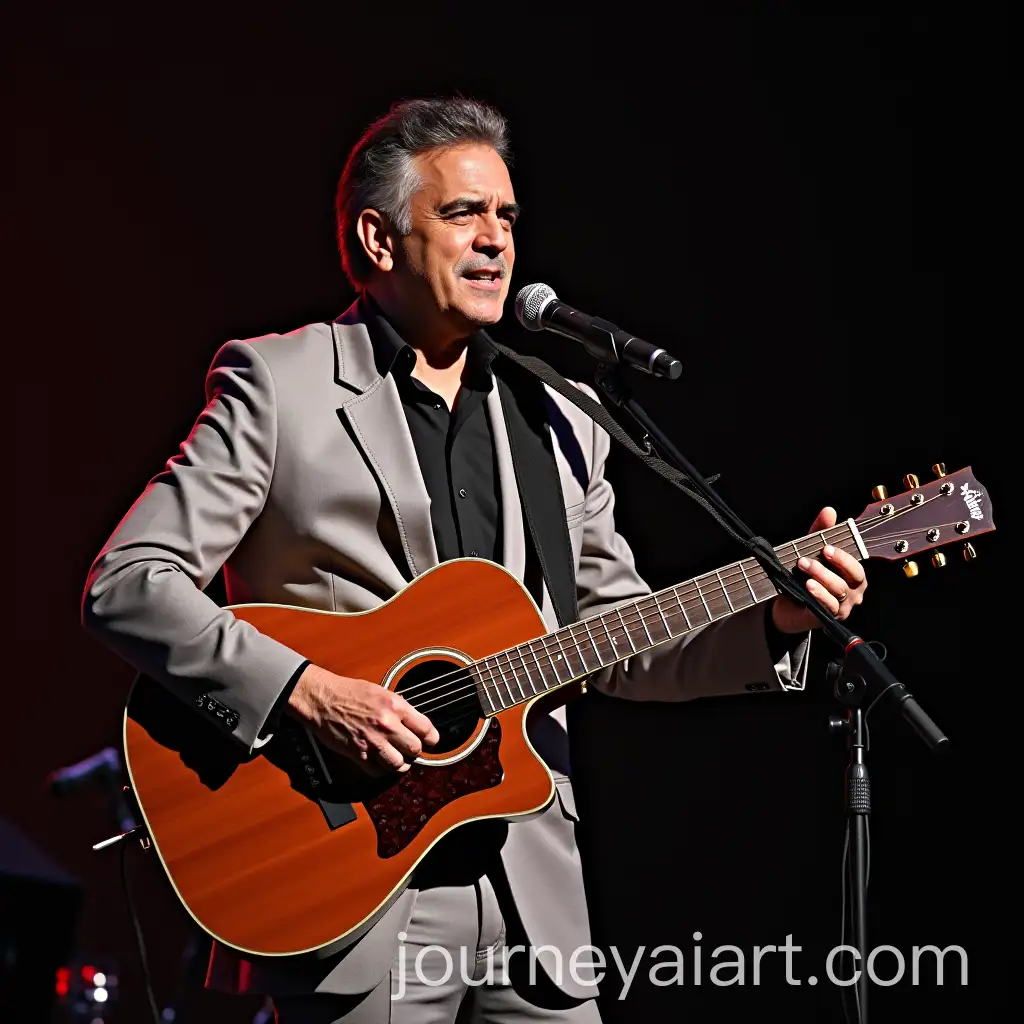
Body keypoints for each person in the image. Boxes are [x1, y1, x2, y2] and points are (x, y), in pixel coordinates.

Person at [81, 97, 867, 1024]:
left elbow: (613, 641)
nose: (496, 240)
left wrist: (773, 620)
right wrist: (306, 691)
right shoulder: (280, 384)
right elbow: (129, 582)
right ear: (378, 240)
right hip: (351, 880)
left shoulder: (564, 417)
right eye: (463, 214)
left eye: (506, 217)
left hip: (534, 903)